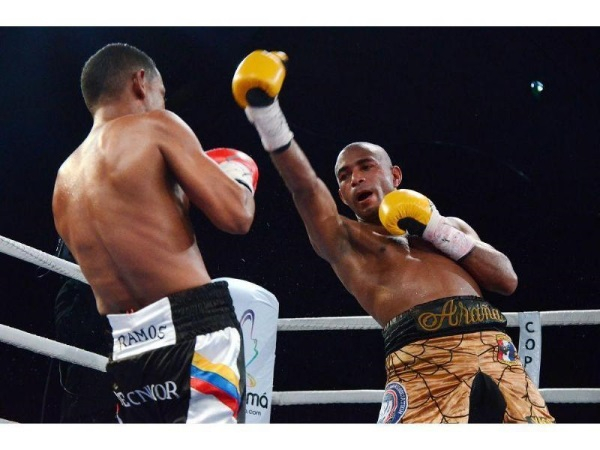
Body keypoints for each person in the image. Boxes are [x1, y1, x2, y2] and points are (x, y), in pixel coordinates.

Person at [231, 50, 555, 423]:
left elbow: (506, 280)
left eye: (365, 167)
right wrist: (268, 116)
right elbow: (305, 188)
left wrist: (435, 230)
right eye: (344, 176)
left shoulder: (447, 225)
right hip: (421, 363)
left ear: (395, 176)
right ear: (342, 195)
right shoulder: (346, 239)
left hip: (496, 352)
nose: (355, 178)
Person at [52, 43, 259, 423]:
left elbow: (135, 237)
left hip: (127, 349)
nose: (161, 103)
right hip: (193, 331)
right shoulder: (157, 126)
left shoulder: (64, 183)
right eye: (161, 93)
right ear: (140, 82)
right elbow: (237, 216)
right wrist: (240, 177)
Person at [52, 238, 118, 423]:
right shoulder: (74, 288)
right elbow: (71, 333)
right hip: (88, 389)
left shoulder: (128, 283)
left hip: (125, 386)